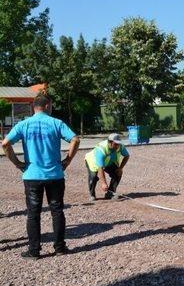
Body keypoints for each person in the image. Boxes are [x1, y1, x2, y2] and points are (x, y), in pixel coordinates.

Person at [1, 93, 80, 259]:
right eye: (51, 106)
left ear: (34, 107)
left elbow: (5, 143)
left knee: (33, 213)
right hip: (55, 175)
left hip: (32, 176)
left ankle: (34, 250)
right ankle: (59, 247)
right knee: (57, 210)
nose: (51, 108)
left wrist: (17, 163)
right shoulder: (56, 123)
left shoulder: (24, 124)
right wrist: (67, 161)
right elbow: (75, 140)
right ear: (46, 106)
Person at [84, 133, 130, 201]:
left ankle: (110, 193)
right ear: (110, 142)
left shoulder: (120, 146)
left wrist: (120, 168)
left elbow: (126, 156)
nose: (117, 146)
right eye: (115, 144)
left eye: (118, 144)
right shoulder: (101, 149)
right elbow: (100, 168)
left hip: (108, 162)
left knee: (117, 173)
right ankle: (92, 195)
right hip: (92, 161)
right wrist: (103, 183)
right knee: (93, 177)